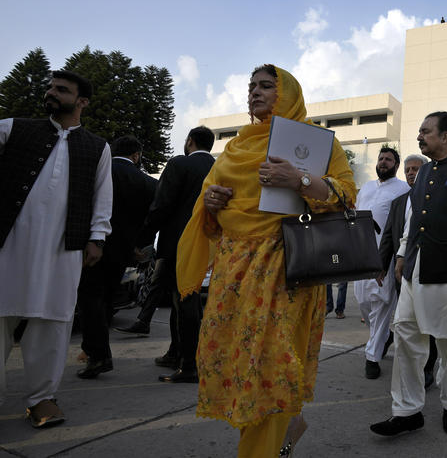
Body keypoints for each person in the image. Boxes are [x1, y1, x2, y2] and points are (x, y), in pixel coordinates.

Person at [176, 65, 356, 458]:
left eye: (266, 86)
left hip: (287, 266)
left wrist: (299, 180)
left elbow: (346, 196)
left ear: (287, 93)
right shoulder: (236, 147)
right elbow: (210, 215)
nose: (255, 93)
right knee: (241, 365)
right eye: (251, 86)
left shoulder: (317, 142)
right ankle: (284, 431)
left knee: (271, 366)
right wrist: (209, 204)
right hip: (234, 272)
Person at [370, 111, 447, 436]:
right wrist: (400, 254)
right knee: (407, 334)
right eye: (419, 132)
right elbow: (413, 218)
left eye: (426, 131)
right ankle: (407, 410)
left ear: (446, 136)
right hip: (414, 267)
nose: (420, 136)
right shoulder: (422, 171)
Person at [0, 70, 112, 427]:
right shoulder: (13, 128)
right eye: (50, 86)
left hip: (64, 247)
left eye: (61, 90)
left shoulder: (97, 147)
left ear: (82, 101)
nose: (51, 93)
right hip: (10, 242)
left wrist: (97, 238)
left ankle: (41, 399)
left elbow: (102, 196)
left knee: (53, 322)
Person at [131, 126, 215, 383]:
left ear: (189, 141)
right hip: (209, 245)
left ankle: (188, 363)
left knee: (184, 301)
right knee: (185, 301)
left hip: (178, 243)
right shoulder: (219, 167)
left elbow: (162, 204)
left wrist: (145, 238)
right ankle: (176, 352)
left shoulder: (180, 164)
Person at [76, 135, 157, 379]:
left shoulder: (97, 172)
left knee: (90, 297)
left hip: (92, 245)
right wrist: (139, 244)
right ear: (136, 156)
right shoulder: (148, 183)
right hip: (124, 251)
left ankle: (96, 354)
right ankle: (94, 349)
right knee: (108, 299)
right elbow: (152, 217)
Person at [377, 154, 438, 387]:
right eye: (408, 170)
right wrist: (382, 266)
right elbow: (388, 238)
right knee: (406, 322)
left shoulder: (436, 199)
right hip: (403, 274)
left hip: (430, 272)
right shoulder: (399, 202)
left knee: (427, 323)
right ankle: (408, 365)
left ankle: (428, 367)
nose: (411, 173)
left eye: (416, 169)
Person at [353, 148, 410, 379]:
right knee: (364, 302)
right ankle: (385, 336)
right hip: (361, 256)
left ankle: (372, 357)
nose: (383, 162)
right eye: (381, 159)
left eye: (388, 159)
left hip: (385, 257)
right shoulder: (366, 187)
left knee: (382, 304)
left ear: (396, 165)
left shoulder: (403, 189)